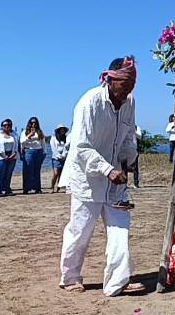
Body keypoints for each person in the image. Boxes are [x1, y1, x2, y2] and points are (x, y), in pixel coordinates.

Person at [59, 56, 144, 296]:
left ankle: (118, 281)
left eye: (131, 86)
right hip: (88, 179)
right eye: (124, 85)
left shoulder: (129, 102)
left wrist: (129, 158)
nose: (127, 91)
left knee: (120, 230)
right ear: (110, 79)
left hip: (117, 180)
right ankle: (70, 277)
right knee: (80, 230)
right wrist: (107, 170)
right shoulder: (90, 103)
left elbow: (129, 135)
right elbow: (81, 147)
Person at [20, 116, 47, 194]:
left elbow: (43, 142)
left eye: (35, 123)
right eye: (32, 123)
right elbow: (22, 142)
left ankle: (37, 188)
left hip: (39, 151)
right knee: (28, 170)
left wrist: (44, 152)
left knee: (37, 171)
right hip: (29, 151)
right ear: (29, 123)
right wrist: (30, 135)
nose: (33, 124)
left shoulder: (40, 132)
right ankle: (26, 188)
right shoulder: (25, 132)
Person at [0, 119, 18, 196]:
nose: (7, 126)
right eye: (5, 125)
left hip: (12, 156)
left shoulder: (14, 134)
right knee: (0, 174)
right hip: (0, 157)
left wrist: (14, 154)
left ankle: (7, 189)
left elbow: (16, 145)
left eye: (9, 125)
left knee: (8, 174)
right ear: (2, 126)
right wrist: (3, 155)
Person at [50, 124, 69, 193]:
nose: (62, 131)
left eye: (63, 129)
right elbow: (53, 148)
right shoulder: (53, 138)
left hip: (64, 157)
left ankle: (59, 187)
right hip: (55, 158)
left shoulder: (66, 138)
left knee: (61, 174)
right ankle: (52, 187)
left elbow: (66, 147)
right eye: (61, 129)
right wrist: (58, 155)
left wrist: (64, 155)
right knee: (56, 173)